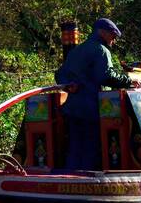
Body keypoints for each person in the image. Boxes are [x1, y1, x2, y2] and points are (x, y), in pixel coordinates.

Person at [55, 18, 136, 171]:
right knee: (91, 148)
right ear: (102, 32)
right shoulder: (101, 50)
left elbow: (60, 75)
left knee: (75, 147)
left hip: (72, 109)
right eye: (112, 36)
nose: (114, 41)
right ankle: (87, 182)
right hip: (91, 109)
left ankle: (69, 181)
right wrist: (129, 81)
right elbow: (105, 76)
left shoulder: (77, 50)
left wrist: (70, 86)